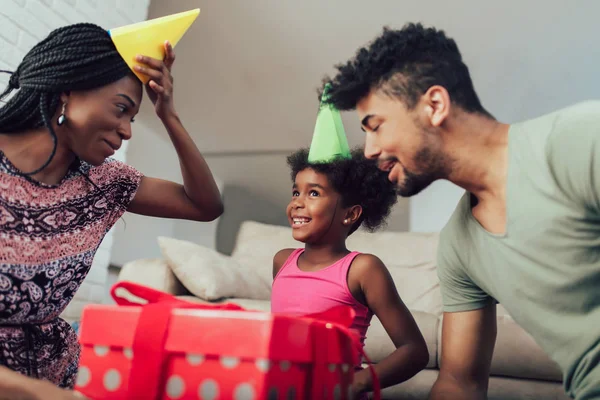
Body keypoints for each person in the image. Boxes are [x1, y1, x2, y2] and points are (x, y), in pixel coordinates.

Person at [319, 23, 600, 400]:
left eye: (377, 126)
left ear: (435, 105)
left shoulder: (579, 141)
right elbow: (459, 382)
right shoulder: (458, 246)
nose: (369, 150)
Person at [0, 22, 223, 396]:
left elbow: (204, 205)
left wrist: (168, 113)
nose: (127, 130)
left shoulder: (104, 182)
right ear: (68, 91)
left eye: (133, 117)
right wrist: (38, 394)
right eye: (121, 109)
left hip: (62, 379)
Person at [271, 147, 429, 398]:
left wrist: (358, 382)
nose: (297, 203)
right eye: (295, 192)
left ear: (350, 213)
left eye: (313, 193)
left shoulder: (363, 269)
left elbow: (414, 350)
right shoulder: (282, 261)